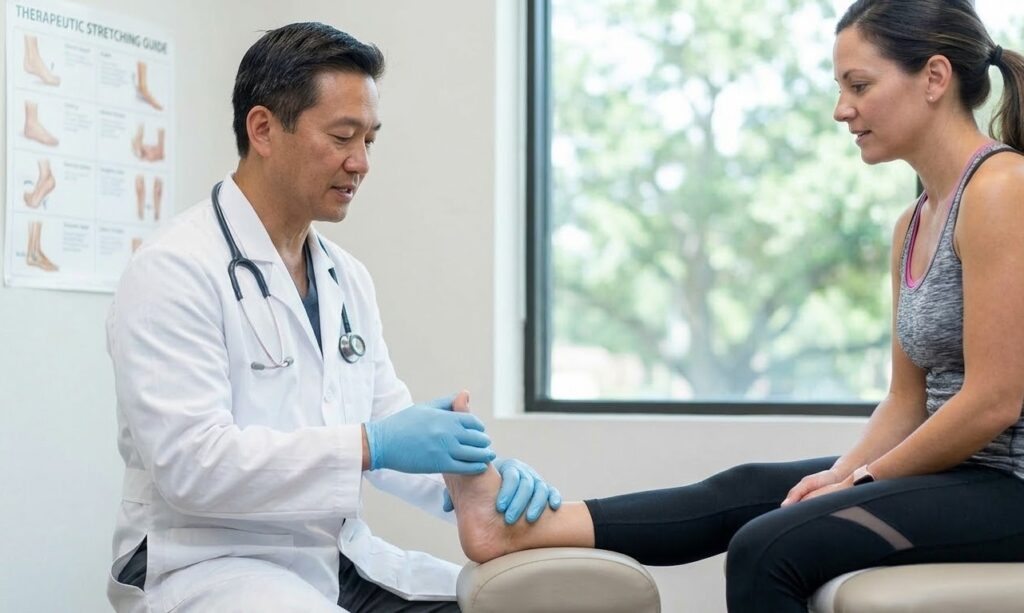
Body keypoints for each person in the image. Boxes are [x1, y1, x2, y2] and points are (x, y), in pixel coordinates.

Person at [440, 1, 1024, 611]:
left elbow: (992, 400)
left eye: (859, 85)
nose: (841, 109)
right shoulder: (915, 221)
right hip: (959, 476)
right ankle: (516, 527)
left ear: (934, 77)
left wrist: (864, 479)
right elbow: (906, 400)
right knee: (743, 490)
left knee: (767, 547)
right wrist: (841, 473)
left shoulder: (1002, 189)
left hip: (1010, 486)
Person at [105, 23, 560, 613]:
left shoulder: (346, 278)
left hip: (332, 556)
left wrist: (470, 479)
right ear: (263, 129)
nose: (361, 162)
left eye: (370, 139)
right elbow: (193, 468)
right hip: (206, 562)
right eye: (343, 136)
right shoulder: (174, 269)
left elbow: (386, 422)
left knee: (514, 604)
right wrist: (372, 444)